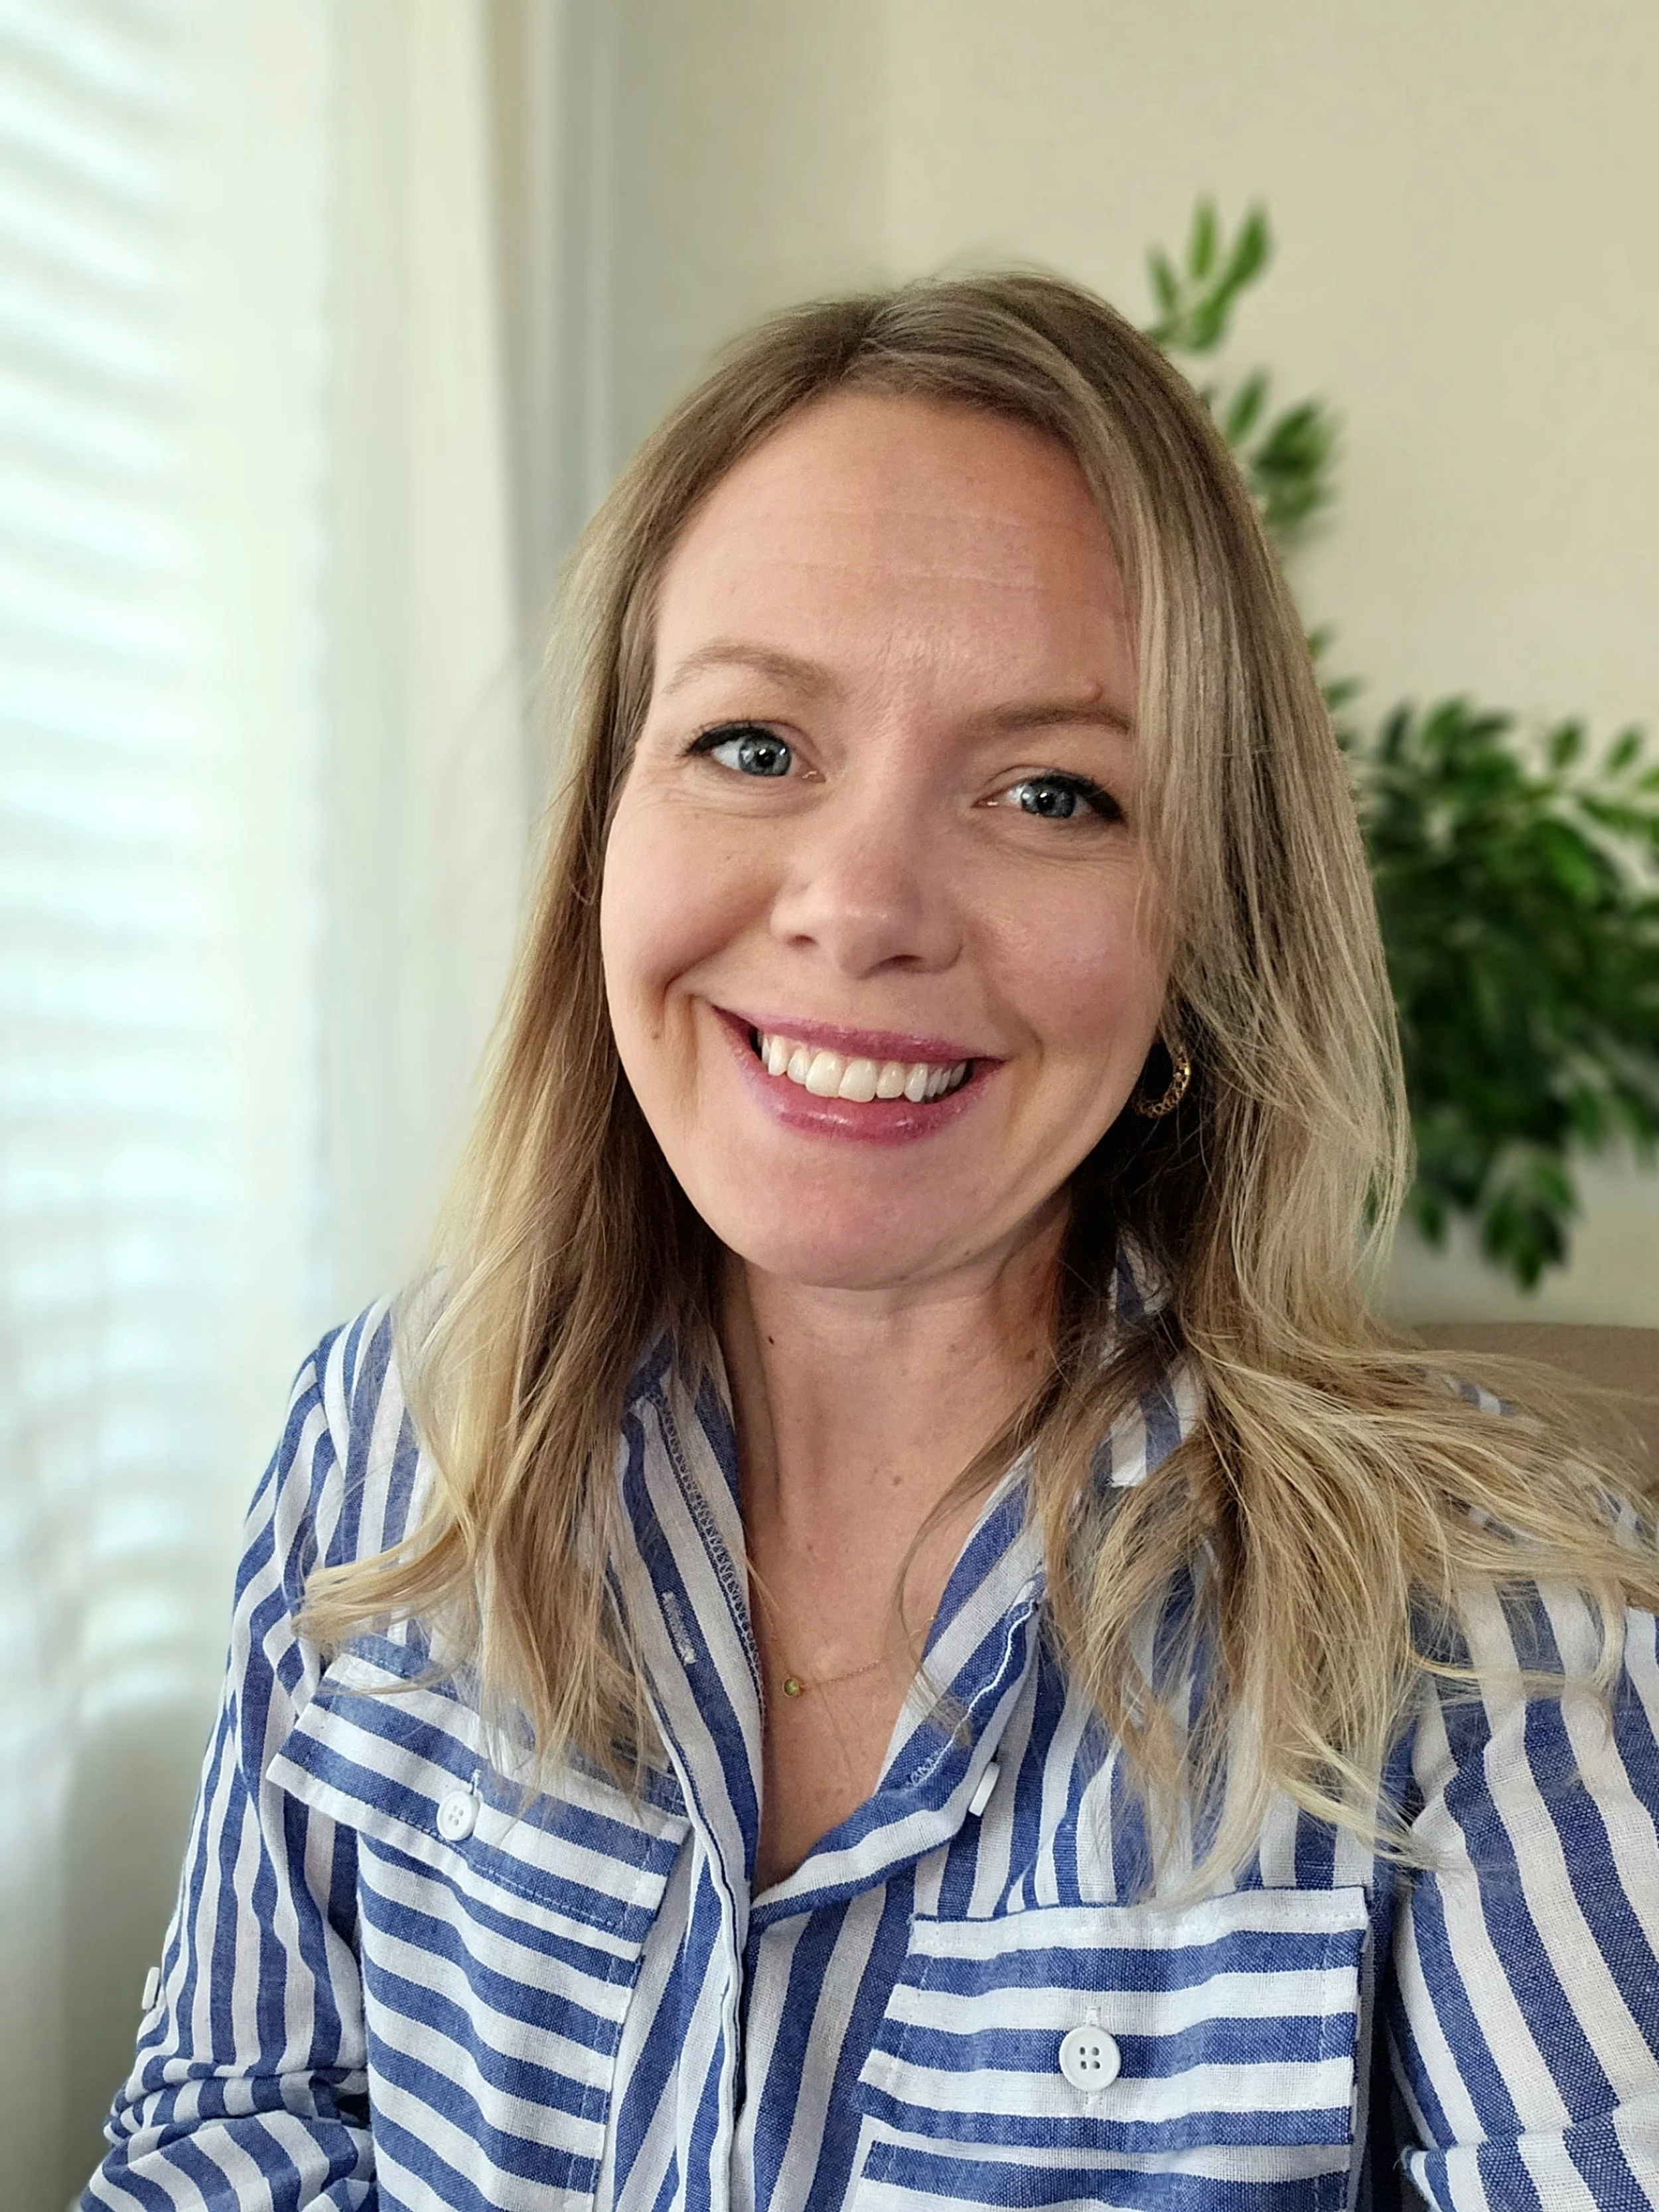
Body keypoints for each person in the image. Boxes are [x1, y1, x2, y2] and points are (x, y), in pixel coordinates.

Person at [86, 274, 1659, 2212]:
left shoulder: (1493, 1632)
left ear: (1200, 936)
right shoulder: (376, 1447)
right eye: (754, 745)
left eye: (1051, 789)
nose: (857, 905)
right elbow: (221, 2135)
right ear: (602, 833)